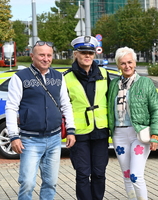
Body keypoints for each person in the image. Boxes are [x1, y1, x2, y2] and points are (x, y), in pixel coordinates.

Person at [5, 41, 76, 200]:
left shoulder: (58, 77)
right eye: (41, 55)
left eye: (49, 55)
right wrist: (14, 136)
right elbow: (11, 108)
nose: (46, 58)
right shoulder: (20, 77)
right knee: (28, 183)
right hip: (30, 140)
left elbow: (66, 104)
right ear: (32, 56)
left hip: (54, 138)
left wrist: (71, 130)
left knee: (50, 183)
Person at [107, 47, 158, 200]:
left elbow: (156, 109)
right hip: (119, 134)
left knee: (135, 175)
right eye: (123, 63)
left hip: (139, 133)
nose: (127, 66)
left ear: (135, 63)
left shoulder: (145, 83)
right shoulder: (113, 85)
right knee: (126, 175)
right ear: (118, 65)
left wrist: (156, 135)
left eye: (129, 62)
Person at [64, 36, 111, 200]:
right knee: (83, 174)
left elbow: (112, 100)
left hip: (101, 132)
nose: (87, 56)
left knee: (99, 173)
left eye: (90, 53)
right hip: (79, 133)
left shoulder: (104, 74)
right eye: (83, 52)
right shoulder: (66, 77)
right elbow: (63, 106)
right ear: (76, 54)